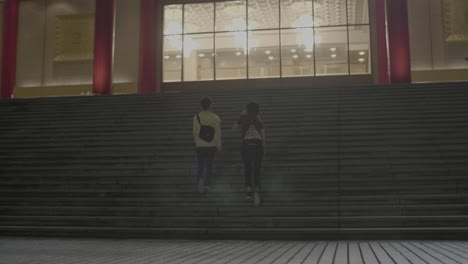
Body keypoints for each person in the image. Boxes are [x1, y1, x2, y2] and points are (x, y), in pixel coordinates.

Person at [233, 101, 265, 206]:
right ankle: (256, 188)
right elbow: (262, 130)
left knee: (247, 167)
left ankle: (248, 190)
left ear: (247, 109)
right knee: (256, 168)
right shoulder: (257, 118)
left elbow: (234, 127)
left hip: (246, 146)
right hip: (257, 147)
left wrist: (242, 116)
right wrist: (263, 144)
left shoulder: (243, 117)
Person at [193, 97, 222, 194]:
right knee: (209, 166)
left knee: (200, 165)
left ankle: (199, 182)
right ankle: (207, 185)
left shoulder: (196, 117)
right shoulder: (215, 117)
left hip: (200, 145)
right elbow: (218, 133)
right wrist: (219, 145)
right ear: (210, 105)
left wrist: (197, 142)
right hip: (211, 145)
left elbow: (195, 132)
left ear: (201, 105)